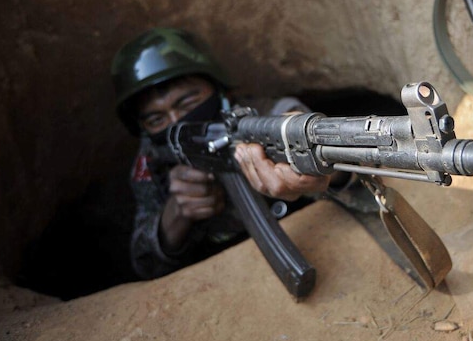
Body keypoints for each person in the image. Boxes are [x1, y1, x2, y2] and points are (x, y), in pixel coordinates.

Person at [111, 27, 330, 279]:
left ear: (220, 90)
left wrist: (323, 173)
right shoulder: (151, 161)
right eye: (156, 118)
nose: (176, 121)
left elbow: (348, 175)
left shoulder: (270, 116)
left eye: (188, 103)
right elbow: (145, 265)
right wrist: (177, 216)